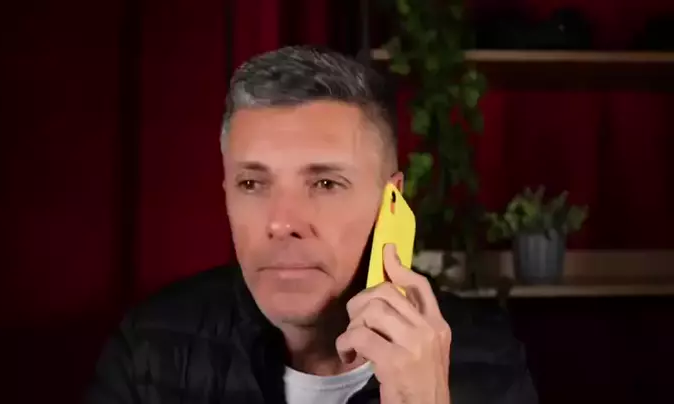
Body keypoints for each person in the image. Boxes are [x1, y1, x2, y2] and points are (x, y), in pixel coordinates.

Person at [84, 46, 537, 404]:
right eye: (252, 183)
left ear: (392, 202)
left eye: (325, 183)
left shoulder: (486, 363)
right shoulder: (149, 348)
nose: (282, 222)